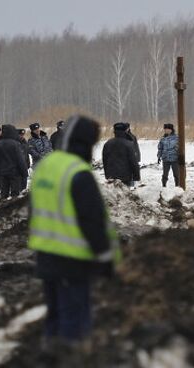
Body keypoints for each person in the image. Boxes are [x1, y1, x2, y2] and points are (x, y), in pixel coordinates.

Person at [28, 115, 120, 342]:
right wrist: (106, 257)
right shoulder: (78, 173)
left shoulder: (46, 166)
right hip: (73, 260)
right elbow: (92, 220)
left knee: (55, 317)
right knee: (75, 323)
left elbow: (33, 210)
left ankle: (50, 358)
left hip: (45, 255)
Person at [0, 125, 29, 199]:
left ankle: (2, 208)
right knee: (15, 193)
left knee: (4, 192)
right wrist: (24, 172)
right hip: (14, 173)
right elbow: (20, 159)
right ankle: (13, 208)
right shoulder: (15, 144)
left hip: (3, 173)